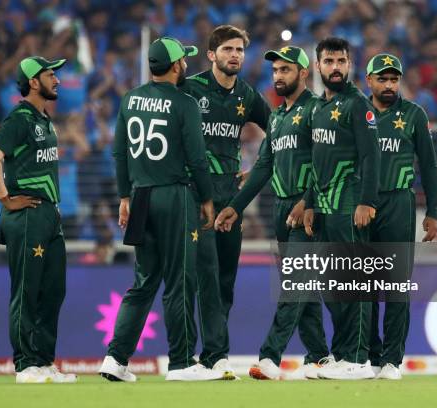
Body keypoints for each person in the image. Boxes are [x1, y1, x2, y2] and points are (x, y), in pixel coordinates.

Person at [98, 36, 221, 382]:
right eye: (183, 60)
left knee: (143, 281)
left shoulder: (130, 98)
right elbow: (197, 159)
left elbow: (119, 153)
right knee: (180, 280)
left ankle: (115, 358)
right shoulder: (184, 103)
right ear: (176, 66)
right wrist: (208, 198)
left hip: (140, 197)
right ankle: (181, 362)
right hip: (174, 196)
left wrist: (124, 197)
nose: (186, 65)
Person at [215, 46, 329, 380]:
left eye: (286, 70)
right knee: (302, 286)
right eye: (276, 70)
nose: (278, 76)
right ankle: (320, 356)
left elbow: (328, 163)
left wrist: (308, 200)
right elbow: (264, 165)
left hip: (308, 209)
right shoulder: (277, 116)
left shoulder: (318, 111)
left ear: (304, 74)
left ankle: (269, 356)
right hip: (281, 208)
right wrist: (235, 207)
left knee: (294, 283)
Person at [179, 25, 271, 376]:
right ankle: (200, 355)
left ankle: (212, 356)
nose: (235, 55)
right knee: (198, 275)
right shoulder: (190, 89)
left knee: (224, 280)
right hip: (194, 195)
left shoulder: (246, 95)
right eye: (228, 49)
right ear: (211, 54)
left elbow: (279, 132)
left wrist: (259, 167)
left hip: (231, 198)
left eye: (239, 50)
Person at [0, 56, 76, 384]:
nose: (57, 79)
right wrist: (5, 198)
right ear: (34, 82)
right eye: (51, 74)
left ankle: (45, 362)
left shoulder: (44, 119)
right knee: (27, 290)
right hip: (26, 215)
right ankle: (25, 365)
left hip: (49, 214)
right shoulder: (19, 118)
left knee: (53, 291)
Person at [302, 37, 381, 380]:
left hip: (349, 204)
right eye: (329, 61)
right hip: (322, 208)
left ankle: (359, 358)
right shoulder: (318, 108)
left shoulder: (358, 104)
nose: (335, 67)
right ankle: (342, 352)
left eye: (341, 61)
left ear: (350, 65)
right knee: (331, 286)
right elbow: (315, 161)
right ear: (317, 66)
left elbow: (371, 156)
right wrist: (307, 202)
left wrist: (366, 201)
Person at [365, 53, 437, 380]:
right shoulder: (356, 113)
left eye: (394, 79)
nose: (389, 84)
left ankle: (392, 361)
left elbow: (429, 164)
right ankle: (369, 356)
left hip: (399, 203)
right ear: (369, 80)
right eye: (382, 78)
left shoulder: (413, 114)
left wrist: (433, 211)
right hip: (361, 205)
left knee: (395, 285)